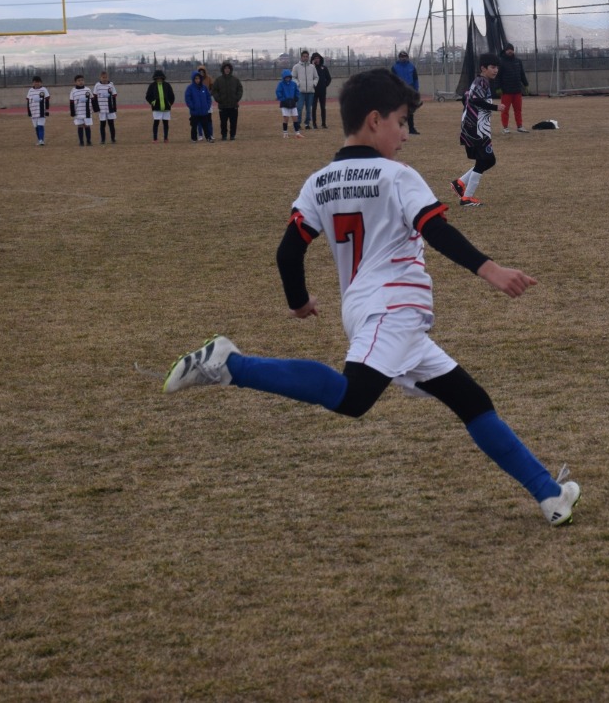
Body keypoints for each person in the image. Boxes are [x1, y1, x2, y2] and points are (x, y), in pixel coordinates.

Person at [161, 67, 581, 527]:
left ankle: (549, 494)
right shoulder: (397, 176)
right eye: (401, 122)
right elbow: (435, 230)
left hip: (369, 311)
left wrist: (298, 301)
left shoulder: (318, 181)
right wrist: (492, 270)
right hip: (393, 309)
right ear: (375, 120)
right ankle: (230, 365)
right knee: (353, 398)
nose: (404, 135)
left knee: (471, 399)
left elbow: (288, 252)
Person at [452, 54, 500, 208]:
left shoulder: (480, 81)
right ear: (483, 68)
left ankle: (460, 183)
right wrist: (495, 107)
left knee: (486, 160)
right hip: (477, 129)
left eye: (497, 67)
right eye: (492, 67)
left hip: (477, 127)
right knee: (487, 160)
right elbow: (474, 99)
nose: (495, 70)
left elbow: (466, 98)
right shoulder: (481, 82)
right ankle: (467, 198)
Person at [496, 43, 530, 134]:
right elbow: (498, 76)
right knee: (505, 110)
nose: (510, 51)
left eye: (511, 49)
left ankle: (520, 126)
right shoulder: (501, 61)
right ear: (505, 50)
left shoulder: (518, 61)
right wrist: (498, 88)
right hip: (506, 91)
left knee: (518, 110)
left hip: (517, 90)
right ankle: (505, 128)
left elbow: (522, 74)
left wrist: (526, 84)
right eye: (508, 49)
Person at [211, 60, 244, 141]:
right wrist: (218, 99)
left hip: (233, 105)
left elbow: (240, 89)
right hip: (223, 106)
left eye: (228, 68)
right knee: (223, 123)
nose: (227, 69)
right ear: (223, 69)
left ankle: (232, 135)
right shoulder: (218, 80)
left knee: (233, 122)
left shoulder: (235, 80)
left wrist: (237, 98)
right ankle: (224, 135)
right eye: (225, 68)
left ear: (230, 69)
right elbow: (214, 90)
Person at [392, 50, 421, 134]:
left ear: (407, 57)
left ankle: (411, 129)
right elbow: (392, 79)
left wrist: (416, 90)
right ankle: (397, 129)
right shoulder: (394, 67)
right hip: (399, 90)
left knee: (410, 110)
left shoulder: (412, 67)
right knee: (399, 110)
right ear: (399, 58)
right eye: (402, 57)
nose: (403, 58)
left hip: (410, 90)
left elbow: (415, 79)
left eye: (405, 57)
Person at [184, 70, 214, 142]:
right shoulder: (190, 88)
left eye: (198, 78)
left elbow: (208, 97)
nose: (197, 80)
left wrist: (207, 106)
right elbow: (188, 98)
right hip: (195, 112)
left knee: (205, 126)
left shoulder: (204, 87)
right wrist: (192, 106)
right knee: (194, 126)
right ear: (193, 79)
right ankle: (194, 138)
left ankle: (208, 138)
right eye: (196, 78)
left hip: (204, 111)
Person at [146, 69, 175, 142]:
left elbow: (172, 96)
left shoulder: (167, 85)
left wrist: (169, 103)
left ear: (163, 78)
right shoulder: (152, 86)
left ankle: (166, 138)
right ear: (155, 78)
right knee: (156, 123)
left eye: (160, 78)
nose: (159, 79)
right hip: (156, 108)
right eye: (157, 78)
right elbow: (148, 96)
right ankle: (155, 138)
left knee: (166, 123)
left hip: (166, 108)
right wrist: (153, 102)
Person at [293, 51, 319, 129]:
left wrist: (313, 84)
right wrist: (298, 84)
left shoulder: (312, 67)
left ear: (308, 57)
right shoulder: (296, 67)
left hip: (310, 91)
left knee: (308, 109)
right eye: (304, 56)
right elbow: (293, 77)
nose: (305, 58)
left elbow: (316, 77)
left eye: (306, 56)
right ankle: (298, 123)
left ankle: (307, 124)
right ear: (301, 57)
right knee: (299, 108)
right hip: (300, 92)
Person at [94, 70, 119, 144]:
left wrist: (114, 106)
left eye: (106, 77)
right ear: (100, 77)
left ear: (108, 77)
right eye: (103, 77)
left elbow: (114, 96)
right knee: (102, 124)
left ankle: (113, 138)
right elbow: (94, 96)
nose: (104, 79)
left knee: (111, 124)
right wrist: (96, 107)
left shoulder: (111, 85)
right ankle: (103, 139)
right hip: (101, 109)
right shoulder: (97, 85)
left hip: (110, 108)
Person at [275, 68, 302, 137]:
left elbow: (297, 91)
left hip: (292, 103)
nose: (287, 78)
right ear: (283, 77)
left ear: (290, 77)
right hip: (285, 104)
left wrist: (296, 98)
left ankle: (297, 133)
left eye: (288, 77)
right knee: (286, 118)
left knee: (295, 117)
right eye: (286, 77)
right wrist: (283, 99)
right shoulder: (281, 84)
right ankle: (285, 132)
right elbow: (278, 92)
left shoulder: (293, 84)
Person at [69, 75, 94, 146]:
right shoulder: (73, 91)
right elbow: (71, 102)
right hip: (78, 112)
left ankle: (89, 141)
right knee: (80, 126)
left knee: (87, 126)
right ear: (75, 82)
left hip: (87, 112)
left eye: (82, 80)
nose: (81, 82)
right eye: (79, 80)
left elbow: (92, 99)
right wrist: (72, 112)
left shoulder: (88, 90)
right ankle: (81, 141)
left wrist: (95, 108)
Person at [25, 75, 51, 146]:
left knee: (40, 125)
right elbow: (28, 101)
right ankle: (39, 139)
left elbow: (47, 100)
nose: (37, 83)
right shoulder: (30, 90)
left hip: (41, 111)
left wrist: (47, 110)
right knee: (36, 126)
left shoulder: (44, 89)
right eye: (35, 82)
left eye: (38, 82)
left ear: (41, 83)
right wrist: (29, 111)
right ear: (33, 83)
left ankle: (41, 140)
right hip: (33, 111)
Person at [311, 52, 332, 130]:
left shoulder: (324, 68)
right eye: (315, 58)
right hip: (313, 91)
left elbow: (329, 78)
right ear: (313, 59)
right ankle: (314, 124)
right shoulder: (311, 68)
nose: (317, 59)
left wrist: (325, 85)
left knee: (323, 107)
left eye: (318, 58)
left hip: (322, 91)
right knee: (314, 108)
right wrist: (312, 65)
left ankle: (323, 123)